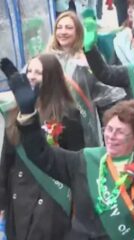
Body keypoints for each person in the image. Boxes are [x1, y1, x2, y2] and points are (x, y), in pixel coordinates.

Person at [3, 66, 134, 239]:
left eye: (120, 132)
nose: (111, 136)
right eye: (108, 129)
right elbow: (41, 154)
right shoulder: (85, 160)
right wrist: (28, 115)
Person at [0, 55, 85, 240]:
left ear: (52, 77)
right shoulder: (15, 112)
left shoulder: (68, 114)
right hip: (18, 198)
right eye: (29, 71)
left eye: (38, 72)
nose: (31, 76)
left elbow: (76, 163)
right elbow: (6, 161)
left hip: (51, 198)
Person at [46, 11, 127, 146]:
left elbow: (108, 96)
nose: (63, 32)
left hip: (80, 126)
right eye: (59, 28)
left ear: (78, 32)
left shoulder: (87, 60)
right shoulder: (46, 59)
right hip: (51, 123)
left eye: (69, 28)